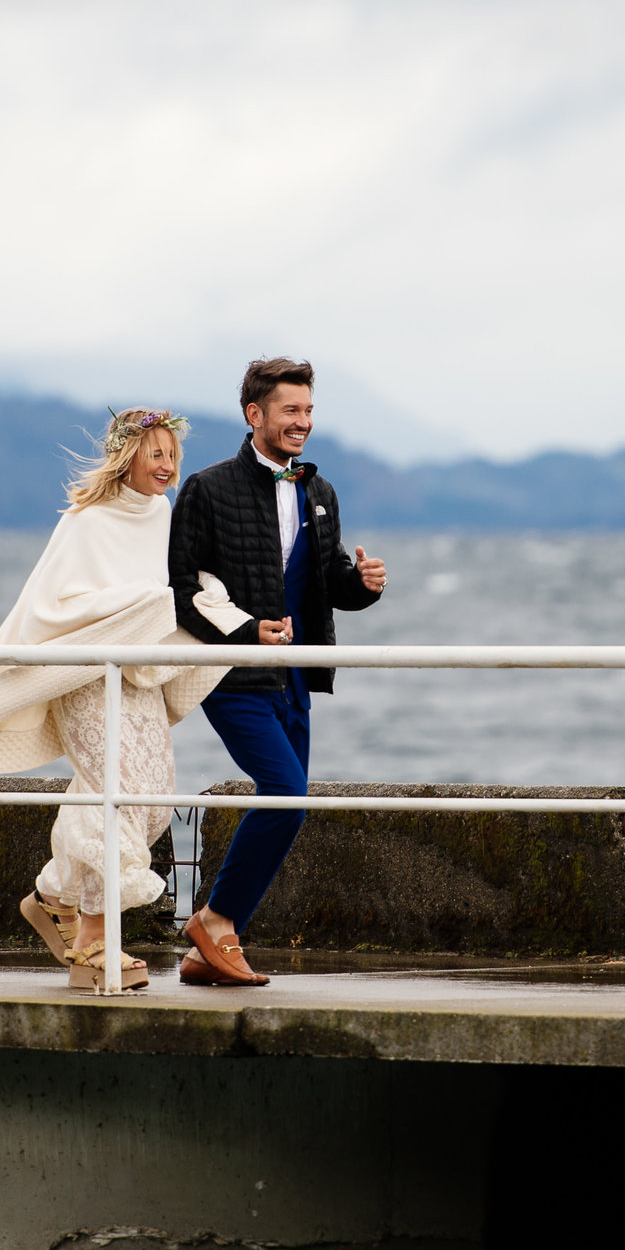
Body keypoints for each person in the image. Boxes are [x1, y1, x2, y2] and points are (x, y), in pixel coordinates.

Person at [0, 409, 227, 991]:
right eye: (156, 454)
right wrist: (140, 605)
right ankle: (94, 944)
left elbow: (174, 586)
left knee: (150, 797)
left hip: (138, 674)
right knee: (111, 793)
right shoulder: (87, 520)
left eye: (173, 455)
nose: (168, 467)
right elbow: (55, 604)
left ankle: (50, 896)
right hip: (85, 676)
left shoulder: (162, 513)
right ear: (128, 456)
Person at [168, 358, 389, 985]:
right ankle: (216, 923)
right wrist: (243, 631)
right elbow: (181, 590)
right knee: (287, 796)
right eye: (291, 410)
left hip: (296, 677)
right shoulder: (207, 490)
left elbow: (328, 585)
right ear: (254, 415)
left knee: (290, 802)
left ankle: (202, 954)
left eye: (309, 410)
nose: (303, 422)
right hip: (230, 676)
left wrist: (363, 585)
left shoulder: (319, 493)